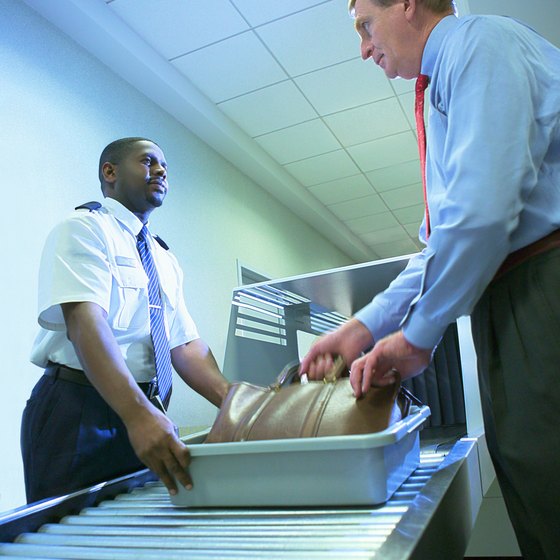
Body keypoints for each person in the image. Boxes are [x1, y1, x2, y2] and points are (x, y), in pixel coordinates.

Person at [300, 1, 560, 558]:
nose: (364, 48)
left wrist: (420, 335)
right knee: (533, 488)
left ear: (407, 4)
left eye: (365, 25)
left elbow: (485, 214)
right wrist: (363, 328)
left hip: (543, 286)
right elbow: (440, 246)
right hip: (508, 300)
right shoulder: (442, 91)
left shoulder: (480, 45)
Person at [21, 137, 230, 504]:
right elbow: (86, 324)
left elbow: (184, 345)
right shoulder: (84, 229)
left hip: (142, 407)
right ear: (110, 172)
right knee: (74, 540)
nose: (161, 170)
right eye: (148, 161)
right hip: (79, 410)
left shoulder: (164, 258)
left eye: (164, 165)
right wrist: (137, 414)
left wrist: (238, 404)